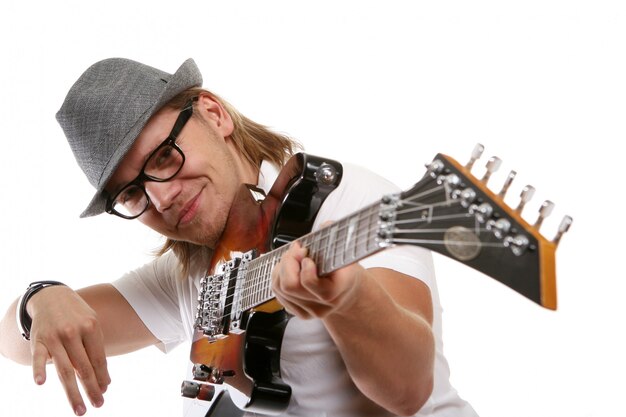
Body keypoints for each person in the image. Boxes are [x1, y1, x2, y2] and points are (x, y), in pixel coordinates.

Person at [0, 58, 477, 417]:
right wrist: (42, 300)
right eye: (131, 193)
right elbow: (15, 345)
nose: (161, 199)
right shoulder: (188, 271)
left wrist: (348, 298)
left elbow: (410, 390)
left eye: (165, 157)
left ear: (214, 114)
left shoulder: (350, 203)